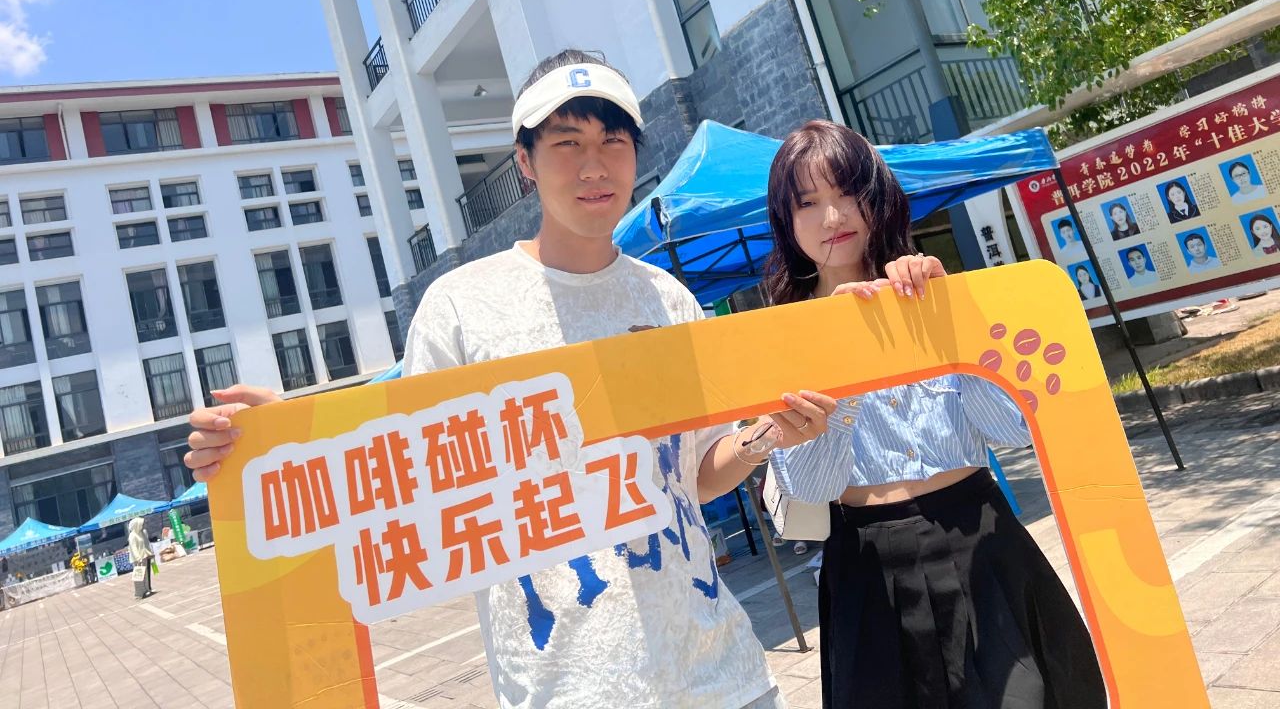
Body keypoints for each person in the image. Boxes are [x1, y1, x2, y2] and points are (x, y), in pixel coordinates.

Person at [185, 49, 839, 709]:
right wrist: (289, 439)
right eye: (567, 143)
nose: (594, 166)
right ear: (525, 162)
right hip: (568, 691)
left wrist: (764, 437)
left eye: (613, 141)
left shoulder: (668, 300)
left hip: (725, 676)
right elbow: (405, 479)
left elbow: (694, 475)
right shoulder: (461, 308)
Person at [763, 120, 1105, 709]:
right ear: (786, 222)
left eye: (847, 193)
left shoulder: (930, 294)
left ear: (876, 195)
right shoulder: (781, 337)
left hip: (981, 537)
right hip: (868, 564)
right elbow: (812, 486)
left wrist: (952, 323)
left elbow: (1013, 430)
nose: (832, 217)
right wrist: (839, 354)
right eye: (808, 203)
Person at [128, 517, 154, 599]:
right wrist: (138, 558)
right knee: (138, 576)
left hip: (144, 556)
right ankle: (139, 593)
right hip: (138, 559)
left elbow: (146, 544)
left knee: (146, 574)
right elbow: (133, 548)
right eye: (141, 524)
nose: (142, 526)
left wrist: (150, 553)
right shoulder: (132, 535)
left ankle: (147, 589)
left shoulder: (141, 533)